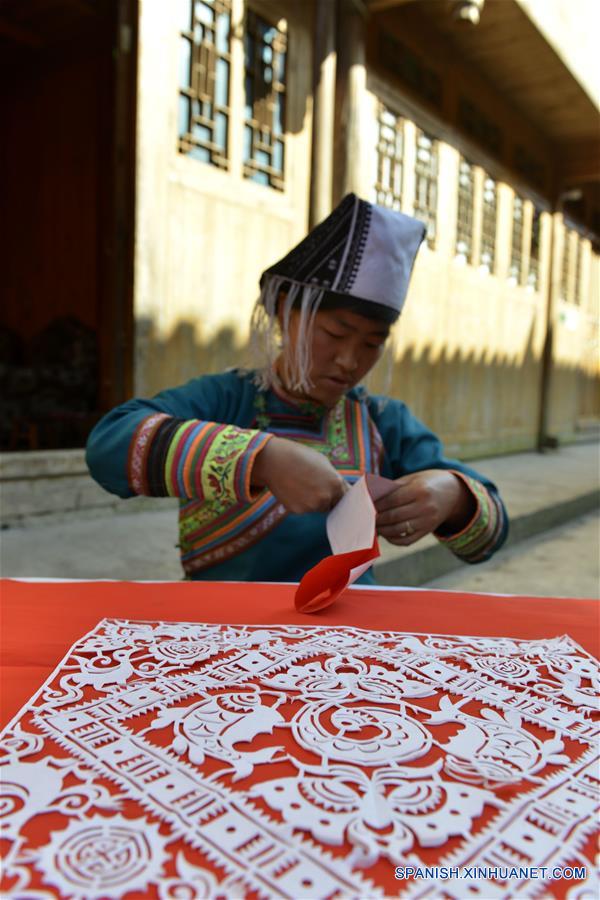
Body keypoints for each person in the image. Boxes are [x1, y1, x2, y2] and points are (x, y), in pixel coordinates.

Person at [86, 194, 508, 583]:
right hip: (226, 626)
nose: (349, 360)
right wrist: (262, 458)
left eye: (371, 344)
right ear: (287, 312)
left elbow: (489, 538)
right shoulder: (225, 399)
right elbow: (109, 446)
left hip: (349, 634)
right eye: (335, 333)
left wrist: (452, 496)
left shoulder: (382, 422)